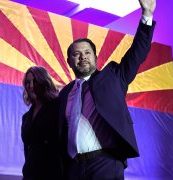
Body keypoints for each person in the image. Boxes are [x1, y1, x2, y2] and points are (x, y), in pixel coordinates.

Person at [58, 0, 156, 179]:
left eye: (87, 52)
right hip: (73, 168)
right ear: (69, 61)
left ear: (95, 57)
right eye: (77, 54)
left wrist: (147, 15)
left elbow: (137, 53)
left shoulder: (113, 77)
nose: (83, 57)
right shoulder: (65, 93)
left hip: (105, 164)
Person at [21, 66, 62, 180]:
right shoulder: (26, 118)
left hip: (53, 174)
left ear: (44, 82)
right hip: (30, 174)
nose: (31, 86)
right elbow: (27, 150)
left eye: (35, 81)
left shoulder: (58, 107)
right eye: (28, 82)